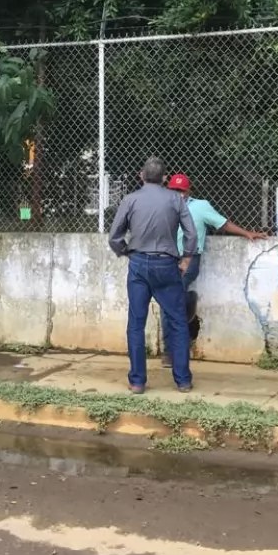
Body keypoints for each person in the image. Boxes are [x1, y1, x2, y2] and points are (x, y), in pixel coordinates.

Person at [108, 157, 198, 394]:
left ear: (141, 175)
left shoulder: (130, 200)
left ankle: (138, 381)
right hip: (167, 265)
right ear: (165, 178)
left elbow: (114, 236)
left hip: (138, 264)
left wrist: (125, 251)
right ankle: (183, 380)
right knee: (178, 321)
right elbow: (191, 233)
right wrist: (187, 258)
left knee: (136, 324)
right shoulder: (176, 199)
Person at [161, 172, 268, 368]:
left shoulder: (200, 206)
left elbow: (222, 223)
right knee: (169, 303)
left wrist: (247, 233)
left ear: (188, 191)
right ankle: (186, 308)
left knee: (170, 301)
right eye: (174, 190)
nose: (178, 194)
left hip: (189, 260)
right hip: (167, 259)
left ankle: (171, 351)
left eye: (181, 190)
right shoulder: (163, 206)